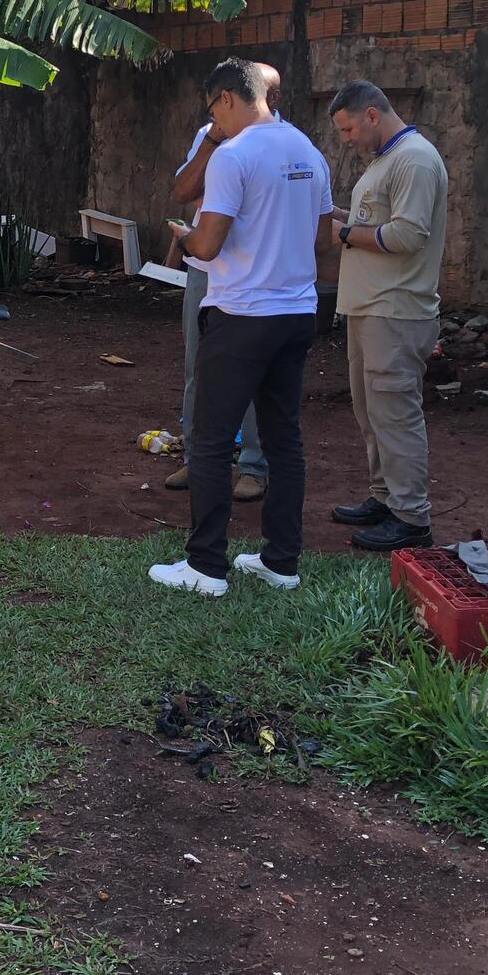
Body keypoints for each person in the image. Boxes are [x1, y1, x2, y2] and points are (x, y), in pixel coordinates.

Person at [151, 59, 335, 597]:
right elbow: (321, 240)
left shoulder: (233, 156)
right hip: (298, 313)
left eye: (213, 110)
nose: (214, 122)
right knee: (285, 439)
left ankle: (206, 567)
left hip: (241, 315)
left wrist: (181, 237)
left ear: (227, 98)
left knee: (209, 441)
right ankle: (282, 561)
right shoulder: (309, 150)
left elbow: (207, 245)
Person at [327, 81, 449, 553]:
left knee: (395, 414)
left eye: (349, 128)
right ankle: (386, 497)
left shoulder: (414, 159)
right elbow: (372, 223)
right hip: (370, 309)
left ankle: (411, 518)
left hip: (396, 311)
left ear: (373, 115)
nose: (347, 139)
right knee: (370, 410)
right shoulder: (386, 159)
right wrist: (333, 216)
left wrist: (343, 234)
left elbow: (406, 236)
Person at [167, 65, 283, 503]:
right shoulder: (211, 137)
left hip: (254, 277)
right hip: (205, 271)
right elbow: (183, 192)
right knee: (199, 367)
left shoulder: (285, 141)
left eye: (274, 94)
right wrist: (214, 139)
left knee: (251, 374)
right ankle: (199, 458)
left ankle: (254, 465)